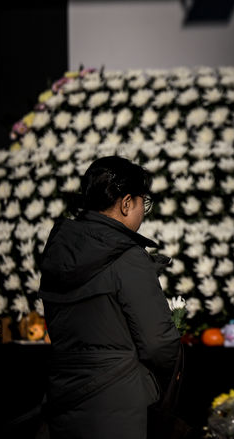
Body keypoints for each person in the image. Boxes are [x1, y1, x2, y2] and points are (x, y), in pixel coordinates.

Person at [38, 155, 181, 439]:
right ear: (127, 203)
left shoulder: (60, 250)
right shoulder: (127, 257)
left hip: (63, 395)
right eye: (145, 202)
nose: (144, 210)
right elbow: (158, 344)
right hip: (117, 403)